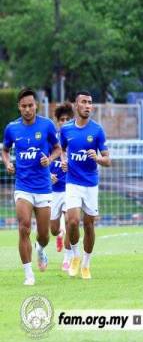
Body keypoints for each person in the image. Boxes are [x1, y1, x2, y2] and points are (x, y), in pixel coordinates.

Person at [2, 88, 61, 285]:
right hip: (23, 187)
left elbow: (58, 148)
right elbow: (5, 150)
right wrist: (8, 163)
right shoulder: (12, 128)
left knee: (44, 235)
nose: (28, 109)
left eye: (31, 105)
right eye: (24, 106)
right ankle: (28, 274)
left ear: (36, 105)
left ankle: (41, 249)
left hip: (43, 188)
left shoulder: (47, 125)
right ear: (19, 107)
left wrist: (49, 159)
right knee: (23, 228)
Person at [61, 91, 111, 280]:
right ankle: (74, 255)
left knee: (89, 225)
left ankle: (86, 264)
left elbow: (107, 160)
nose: (88, 105)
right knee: (72, 221)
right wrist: (64, 161)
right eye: (84, 102)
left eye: (90, 102)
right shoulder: (66, 130)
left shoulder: (97, 130)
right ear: (76, 105)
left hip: (90, 184)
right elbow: (62, 150)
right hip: (72, 182)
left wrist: (98, 158)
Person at [50, 103, 74, 271]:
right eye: (62, 119)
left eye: (68, 119)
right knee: (52, 229)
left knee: (69, 222)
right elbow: (40, 159)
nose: (65, 122)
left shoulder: (75, 138)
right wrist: (47, 175)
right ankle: (58, 234)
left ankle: (67, 258)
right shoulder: (51, 139)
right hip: (52, 190)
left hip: (70, 188)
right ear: (57, 122)